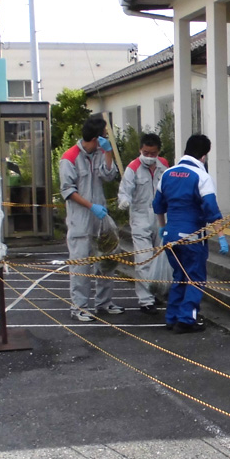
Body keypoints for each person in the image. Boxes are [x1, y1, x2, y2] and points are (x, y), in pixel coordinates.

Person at [152, 133, 229, 333]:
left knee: (179, 276)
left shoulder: (167, 173)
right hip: (192, 237)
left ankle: (172, 317)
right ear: (203, 156)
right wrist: (221, 238)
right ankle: (187, 319)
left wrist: (162, 228)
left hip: (170, 236)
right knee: (195, 278)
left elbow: (158, 205)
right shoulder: (202, 177)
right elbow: (212, 210)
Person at [60, 114, 123, 322]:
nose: (106, 137)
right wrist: (90, 206)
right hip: (80, 219)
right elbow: (68, 190)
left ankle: (104, 302)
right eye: (104, 135)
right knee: (81, 264)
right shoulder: (69, 157)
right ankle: (79, 307)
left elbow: (109, 175)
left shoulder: (99, 153)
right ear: (96, 137)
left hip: (100, 217)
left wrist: (108, 153)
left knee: (106, 260)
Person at [118, 132, 169, 315]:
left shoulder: (164, 165)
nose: (149, 156)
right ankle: (145, 300)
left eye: (152, 153)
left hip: (160, 216)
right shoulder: (133, 168)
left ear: (158, 151)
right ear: (140, 149)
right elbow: (125, 190)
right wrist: (124, 201)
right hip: (140, 216)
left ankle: (156, 290)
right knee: (143, 259)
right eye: (145, 152)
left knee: (160, 257)